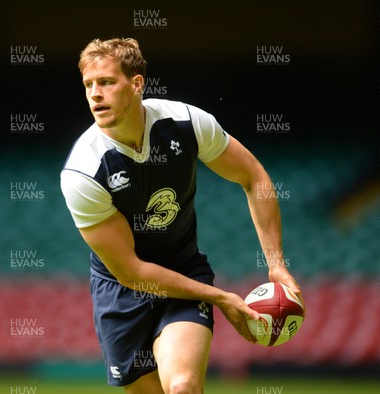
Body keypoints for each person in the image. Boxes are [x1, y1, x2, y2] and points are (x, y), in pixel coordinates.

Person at [60, 37, 304, 394]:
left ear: (137, 83)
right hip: (120, 293)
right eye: (88, 85)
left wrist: (276, 263)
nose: (95, 94)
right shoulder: (83, 172)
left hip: (184, 274)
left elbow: (254, 177)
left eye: (107, 82)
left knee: (183, 387)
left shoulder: (186, 122)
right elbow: (131, 271)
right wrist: (220, 297)